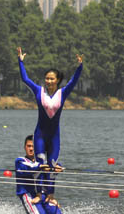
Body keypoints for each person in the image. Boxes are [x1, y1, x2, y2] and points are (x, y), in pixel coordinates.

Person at [17, 47, 83, 203]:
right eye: (47, 78)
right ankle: (39, 194)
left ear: (57, 80)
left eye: (52, 79)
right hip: (40, 135)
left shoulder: (63, 93)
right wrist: (20, 61)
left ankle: (51, 195)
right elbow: (25, 79)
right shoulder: (39, 91)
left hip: (54, 137)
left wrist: (80, 66)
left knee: (52, 166)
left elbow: (74, 81)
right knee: (41, 165)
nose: (49, 81)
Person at [15, 135, 66, 214]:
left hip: (44, 196)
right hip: (28, 195)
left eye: (33, 147)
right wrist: (40, 167)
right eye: (28, 146)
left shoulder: (45, 162)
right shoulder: (20, 161)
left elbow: (52, 168)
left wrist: (57, 168)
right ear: (24, 147)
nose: (31, 149)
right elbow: (28, 167)